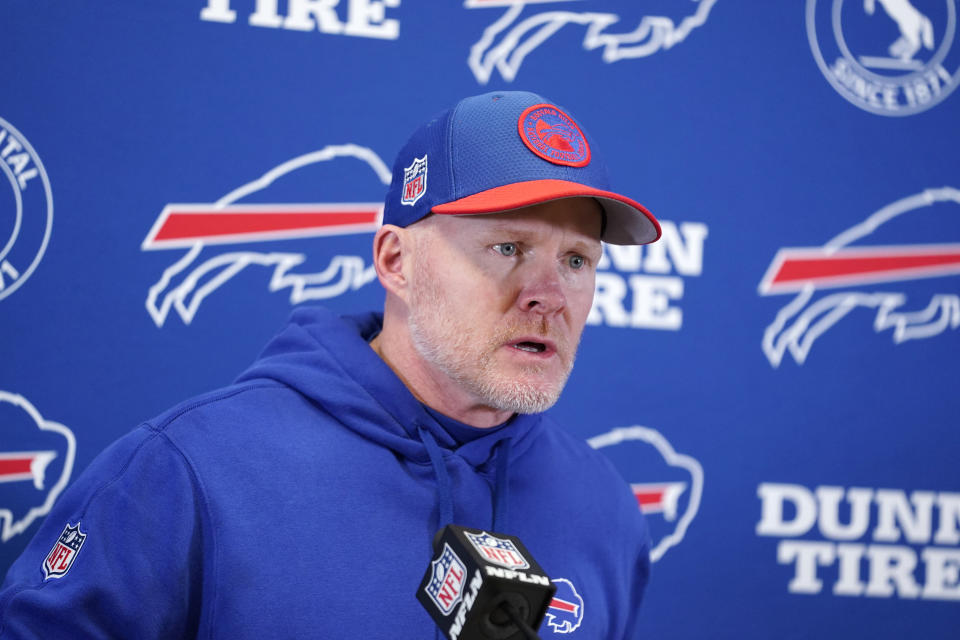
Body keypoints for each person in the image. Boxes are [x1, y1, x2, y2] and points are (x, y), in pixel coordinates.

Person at [0, 91, 660, 639]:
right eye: (508, 246)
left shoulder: (603, 506)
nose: (548, 295)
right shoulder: (187, 472)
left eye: (576, 260)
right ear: (397, 262)